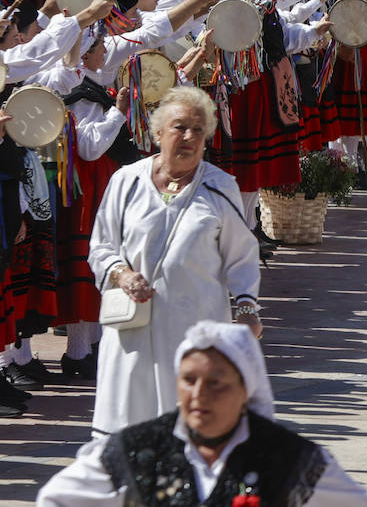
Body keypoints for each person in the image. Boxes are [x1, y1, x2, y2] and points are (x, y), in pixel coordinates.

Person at [37, 320, 367, 505]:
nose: (199, 395)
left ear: (246, 390)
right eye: (188, 380)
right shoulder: (141, 447)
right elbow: (56, 499)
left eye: (217, 383)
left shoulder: (289, 458)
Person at [87, 86, 261, 436]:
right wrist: (121, 274)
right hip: (131, 335)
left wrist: (246, 307)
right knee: (128, 437)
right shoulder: (126, 181)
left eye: (199, 130)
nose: (190, 137)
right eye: (180, 127)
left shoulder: (220, 187)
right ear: (157, 132)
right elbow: (101, 247)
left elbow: (241, 255)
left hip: (194, 332)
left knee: (187, 436)